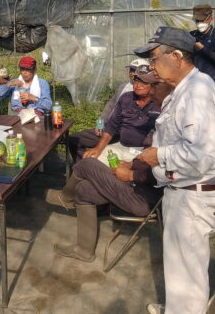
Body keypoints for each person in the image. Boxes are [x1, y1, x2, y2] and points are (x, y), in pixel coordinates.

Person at [133, 26, 215, 314]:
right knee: (177, 262)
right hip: (179, 188)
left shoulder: (198, 92)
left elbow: (201, 156)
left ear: (176, 56)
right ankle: (177, 310)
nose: (152, 67)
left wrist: (159, 156)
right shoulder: (182, 90)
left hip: (193, 193)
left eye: (155, 59)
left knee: (189, 266)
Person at [47, 70, 163, 210]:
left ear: (153, 86)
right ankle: (76, 197)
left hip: (142, 153)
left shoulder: (160, 104)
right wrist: (98, 148)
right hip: (121, 145)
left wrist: (134, 165)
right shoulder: (126, 98)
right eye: (136, 81)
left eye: (143, 82)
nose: (137, 85)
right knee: (91, 160)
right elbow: (112, 125)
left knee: (90, 176)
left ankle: (73, 197)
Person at [68, 59, 151, 162]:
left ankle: (86, 167)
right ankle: (82, 165)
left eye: (135, 70)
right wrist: (100, 122)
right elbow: (111, 104)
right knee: (74, 140)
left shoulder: (145, 94)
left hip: (119, 131)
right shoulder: (124, 86)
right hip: (109, 126)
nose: (132, 73)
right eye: (131, 70)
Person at [189, 3, 215, 89]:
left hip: (209, 83)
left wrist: (200, 47)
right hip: (191, 82)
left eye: (202, 20)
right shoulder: (191, 35)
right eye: (197, 21)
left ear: (211, 19)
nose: (199, 23)